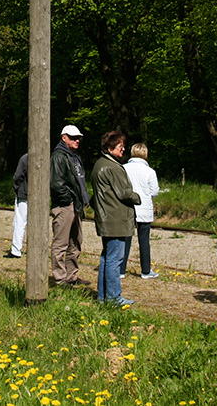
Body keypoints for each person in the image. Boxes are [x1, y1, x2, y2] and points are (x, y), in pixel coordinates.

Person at [90, 131, 141, 306]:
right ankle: (113, 296)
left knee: (107, 257)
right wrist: (138, 197)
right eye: (120, 146)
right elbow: (124, 193)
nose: (123, 149)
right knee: (114, 259)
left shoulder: (100, 164)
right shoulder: (112, 167)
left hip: (107, 218)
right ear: (111, 147)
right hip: (116, 219)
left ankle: (103, 296)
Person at [50, 125, 89, 286]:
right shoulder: (59, 156)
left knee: (76, 242)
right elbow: (56, 183)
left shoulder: (75, 156)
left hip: (77, 206)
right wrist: (69, 200)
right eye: (73, 137)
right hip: (65, 206)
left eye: (78, 137)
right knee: (61, 243)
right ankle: (60, 278)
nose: (77, 140)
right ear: (63, 137)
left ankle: (71, 276)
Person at [121, 143, 160, 279]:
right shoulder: (150, 171)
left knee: (125, 240)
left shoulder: (123, 169)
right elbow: (155, 191)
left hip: (127, 208)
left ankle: (121, 270)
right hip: (144, 209)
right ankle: (146, 270)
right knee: (144, 241)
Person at [5, 153, 29, 259]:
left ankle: (16, 250)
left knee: (19, 222)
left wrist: (16, 188)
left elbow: (18, 176)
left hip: (24, 194)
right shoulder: (45, 157)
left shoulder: (25, 158)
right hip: (40, 197)